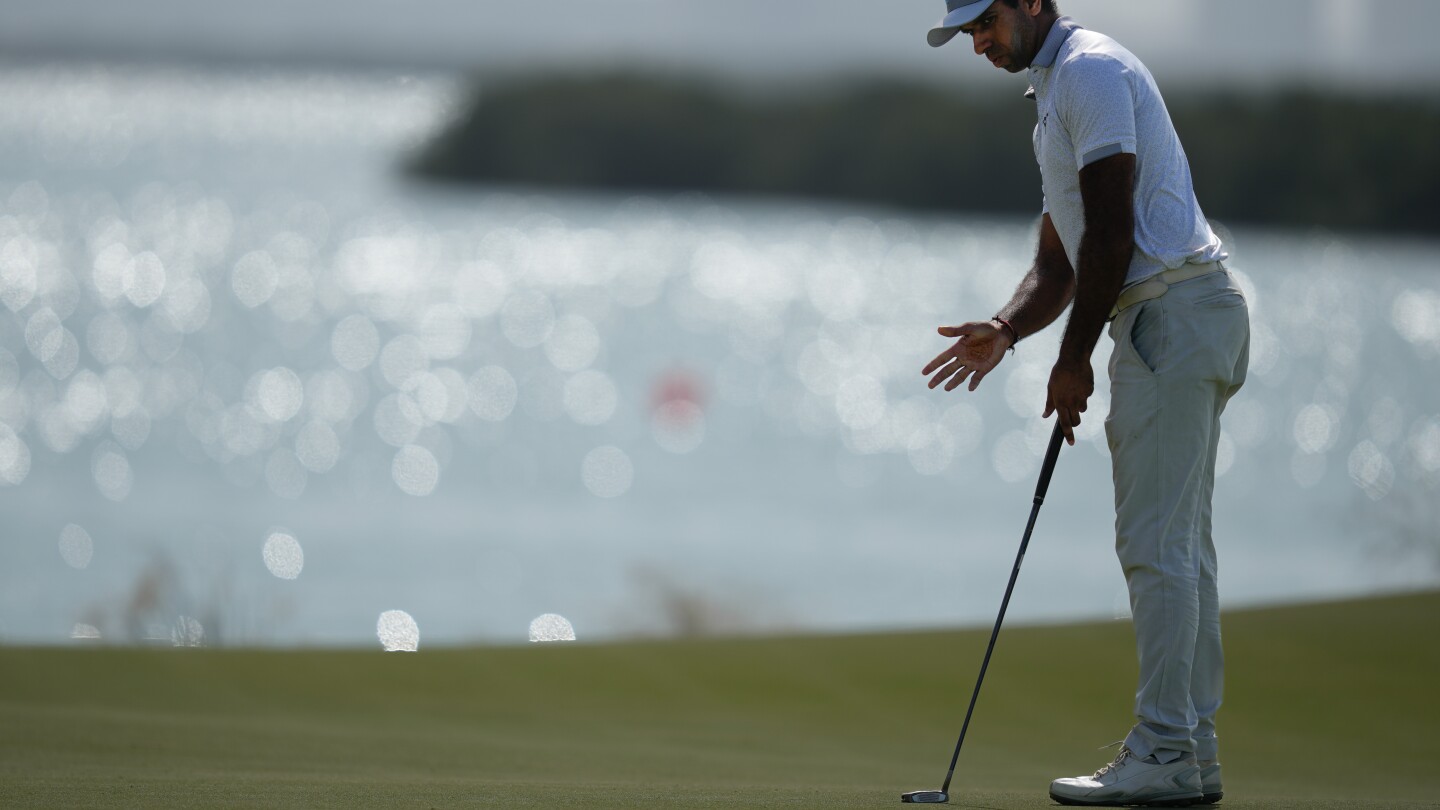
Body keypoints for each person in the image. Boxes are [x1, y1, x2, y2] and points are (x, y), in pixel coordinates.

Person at [920, 1, 1251, 806]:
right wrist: (1008, 328)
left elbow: (1112, 234)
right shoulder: (1057, 91)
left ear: (1033, 1)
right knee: (1181, 548)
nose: (980, 41)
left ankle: (1166, 749)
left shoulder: (1090, 72)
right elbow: (1062, 257)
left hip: (1170, 313)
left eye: (987, 21)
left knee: (1157, 546)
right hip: (1182, 314)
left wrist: (1074, 360)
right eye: (967, 32)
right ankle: (1191, 752)